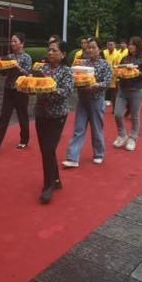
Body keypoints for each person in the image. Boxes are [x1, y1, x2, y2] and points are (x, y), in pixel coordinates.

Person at [34, 39, 73, 204]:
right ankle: (56, 180)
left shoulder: (66, 71)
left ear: (63, 54)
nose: (50, 53)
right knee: (45, 150)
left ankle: (47, 185)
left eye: (54, 50)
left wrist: (49, 87)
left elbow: (66, 92)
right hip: (40, 114)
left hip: (57, 116)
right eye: (49, 50)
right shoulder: (42, 68)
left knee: (48, 150)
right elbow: (34, 85)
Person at [62, 37, 112, 167]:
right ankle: (72, 158)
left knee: (96, 128)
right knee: (78, 128)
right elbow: (74, 78)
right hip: (83, 99)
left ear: (99, 49)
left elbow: (106, 82)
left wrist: (94, 85)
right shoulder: (82, 63)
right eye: (89, 47)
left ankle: (98, 153)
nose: (90, 50)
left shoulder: (105, 64)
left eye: (93, 47)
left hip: (96, 100)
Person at [0, 33, 32, 151]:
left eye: (15, 41)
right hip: (8, 89)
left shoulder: (26, 57)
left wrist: (17, 66)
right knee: (4, 116)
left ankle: (24, 140)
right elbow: (4, 73)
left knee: (22, 116)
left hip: (21, 90)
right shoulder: (9, 56)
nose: (12, 43)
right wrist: (1, 66)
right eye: (11, 41)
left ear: (22, 43)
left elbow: (28, 74)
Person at [113, 37, 142, 151]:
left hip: (136, 90)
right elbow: (119, 71)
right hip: (122, 90)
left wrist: (136, 71)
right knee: (118, 114)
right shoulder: (125, 58)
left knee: (134, 116)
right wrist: (118, 72)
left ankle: (133, 138)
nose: (130, 46)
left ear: (138, 46)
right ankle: (122, 134)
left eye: (133, 45)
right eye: (129, 44)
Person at [102, 39, 121, 108]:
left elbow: (117, 65)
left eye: (111, 45)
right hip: (104, 74)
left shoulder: (118, 54)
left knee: (114, 93)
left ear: (114, 45)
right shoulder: (104, 52)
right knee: (103, 91)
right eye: (108, 45)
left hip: (114, 75)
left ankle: (115, 107)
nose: (109, 46)